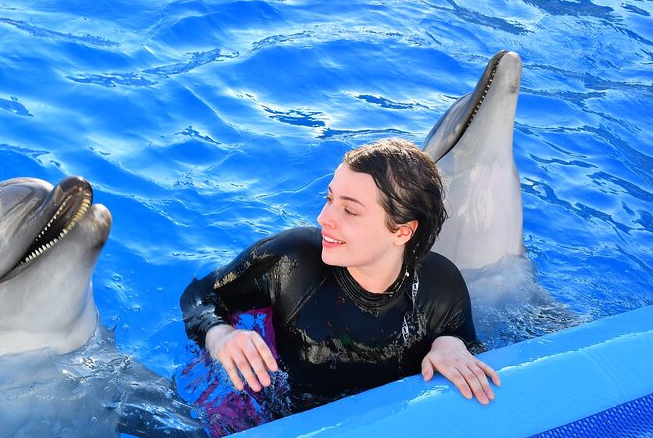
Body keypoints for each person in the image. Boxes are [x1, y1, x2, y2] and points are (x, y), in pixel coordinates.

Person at [181, 139, 499, 418]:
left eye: (350, 211)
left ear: (402, 231)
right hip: (280, 421)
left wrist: (452, 343)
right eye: (330, 198)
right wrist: (219, 334)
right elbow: (199, 296)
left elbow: (468, 348)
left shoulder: (441, 286)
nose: (323, 218)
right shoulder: (292, 261)